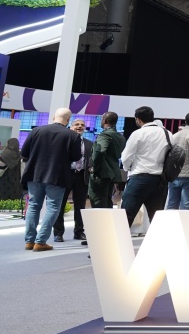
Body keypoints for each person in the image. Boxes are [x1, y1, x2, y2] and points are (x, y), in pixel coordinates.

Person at [19, 107, 78, 251]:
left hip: (34, 174)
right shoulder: (72, 135)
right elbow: (76, 157)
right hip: (57, 176)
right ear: (68, 120)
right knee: (53, 207)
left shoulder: (36, 131)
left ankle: (29, 241)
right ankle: (40, 241)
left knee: (33, 206)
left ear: (53, 117)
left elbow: (24, 152)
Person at [119, 106, 170, 230]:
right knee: (157, 219)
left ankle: (118, 242)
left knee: (125, 217)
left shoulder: (138, 133)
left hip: (139, 178)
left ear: (138, 119)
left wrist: (128, 168)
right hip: (160, 181)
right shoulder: (167, 133)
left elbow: (126, 157)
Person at [88, 112, 125, 236]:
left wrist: (94, 167)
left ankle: (98, 235)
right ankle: (107, 234)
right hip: (112, 173)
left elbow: (99, 152)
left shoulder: (105, 135)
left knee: (98, 203)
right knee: (107, 202)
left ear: (104, 120)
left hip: (101, 174)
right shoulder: (120, 137)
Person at [55, 118, 91, 243]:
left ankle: (79, 232)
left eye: (82, 125)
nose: (79, 126)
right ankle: (58, 233)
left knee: (80, 206)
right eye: (76, 124)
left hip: (82, 176)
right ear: (71, 127)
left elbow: (91, 159)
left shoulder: (89, 143)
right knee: (60, 204)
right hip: (66, 175)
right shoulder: (64, 141)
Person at [165, 112, 189, 212]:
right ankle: (183, 223)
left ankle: (170, 223)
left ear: (186, 121)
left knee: (172, 205)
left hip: (174, 175)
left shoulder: (175, 135)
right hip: (188, 176)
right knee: (185, 208)